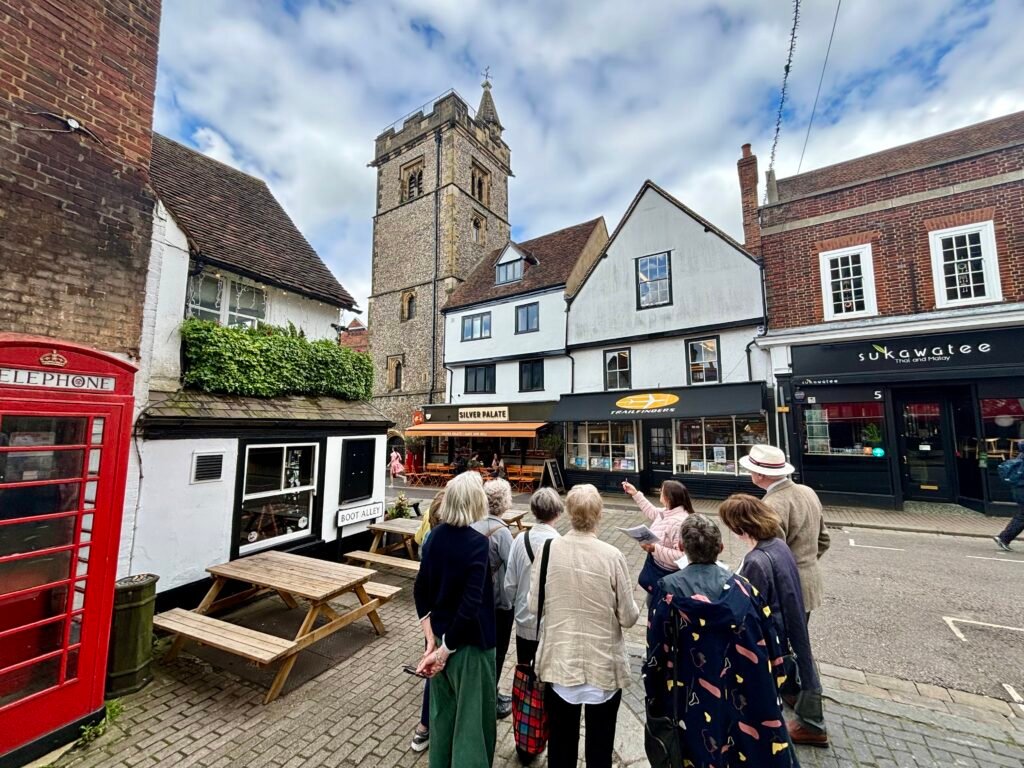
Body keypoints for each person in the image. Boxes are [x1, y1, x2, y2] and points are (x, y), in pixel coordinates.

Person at [644, 514, 800, 767]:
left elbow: (656, 653)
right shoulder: (747, 591)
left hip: (690, 696)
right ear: (720, 548)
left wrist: (655, 697)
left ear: (682, 548)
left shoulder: (667, 592)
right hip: (746, 698)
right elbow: (776, 649)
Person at [529, 484, 639, 768]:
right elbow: (628, 617)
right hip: (601, 667)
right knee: (599, 750)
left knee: (561, 749)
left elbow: (533, 606)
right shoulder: (612, 555)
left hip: (560, 663)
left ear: (566, 511)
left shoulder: (548, 549)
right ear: (599, 515)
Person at [720, 494, 828, 748]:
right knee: (804, 662)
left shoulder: (756, 560)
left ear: (740, 527)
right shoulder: (778, 545)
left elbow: (746, 607)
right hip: (792, 621)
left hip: (773, 633)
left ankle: (776, 727)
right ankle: (801, 705)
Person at [414, 472, 496, 768]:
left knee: (442, 717)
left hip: (441, 644)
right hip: (470, 645)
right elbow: (472, 603)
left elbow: (420, 589)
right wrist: (443, 649)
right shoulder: (477, 543)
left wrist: (430, 639)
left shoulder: (434, 537)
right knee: (472, 725)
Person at [739, 444, 830, 616]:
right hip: (808, 583)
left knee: (781, 641)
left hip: (786, 589)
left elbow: (772, 556)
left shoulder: (770, 505)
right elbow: (824, 539)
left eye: (751, 470)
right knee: (799, 637)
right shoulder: (807, 491)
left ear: (760, 474)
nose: (750, 474)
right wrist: (806, 563)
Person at [504, 487, 563, 667]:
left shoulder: (520, 540)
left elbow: (509, 585)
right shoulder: (561, 544)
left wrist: (515, 604)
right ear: (558, 513)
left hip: (524, 618)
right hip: (551, 622)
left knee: (525, 670)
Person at [474, 478, 516, 719]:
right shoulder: (502, 533)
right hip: (499, 601)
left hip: (475, 600)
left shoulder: (472, 525)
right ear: (505, 503)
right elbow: (512, 570)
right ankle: (491, 696)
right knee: (498, 650)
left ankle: (478, 690)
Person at [410, 490, 446, 753]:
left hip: (432, 616)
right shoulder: (443, 540)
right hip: (444, 616)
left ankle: (425, 727)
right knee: (438, 669)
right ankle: (428, 726)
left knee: (433, 665)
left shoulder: (430, 537)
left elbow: (421, 587)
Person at [621, 479, 693, 595]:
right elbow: (652, 511)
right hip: (656, 564)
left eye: (661, 491)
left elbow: (683, 557)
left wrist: (655, 549)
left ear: (668, 498)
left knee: (657, 604)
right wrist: (635, 493)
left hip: (666, 573)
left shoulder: (679, 523)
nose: (659, 492)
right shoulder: (667, 511)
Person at [994, 441, 1024, 551]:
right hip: (1022, 489)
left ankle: (1004, 538)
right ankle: (1004, 538)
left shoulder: (1022, 454)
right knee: (1022, 517)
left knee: (1022, 516)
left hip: (1018, 489)